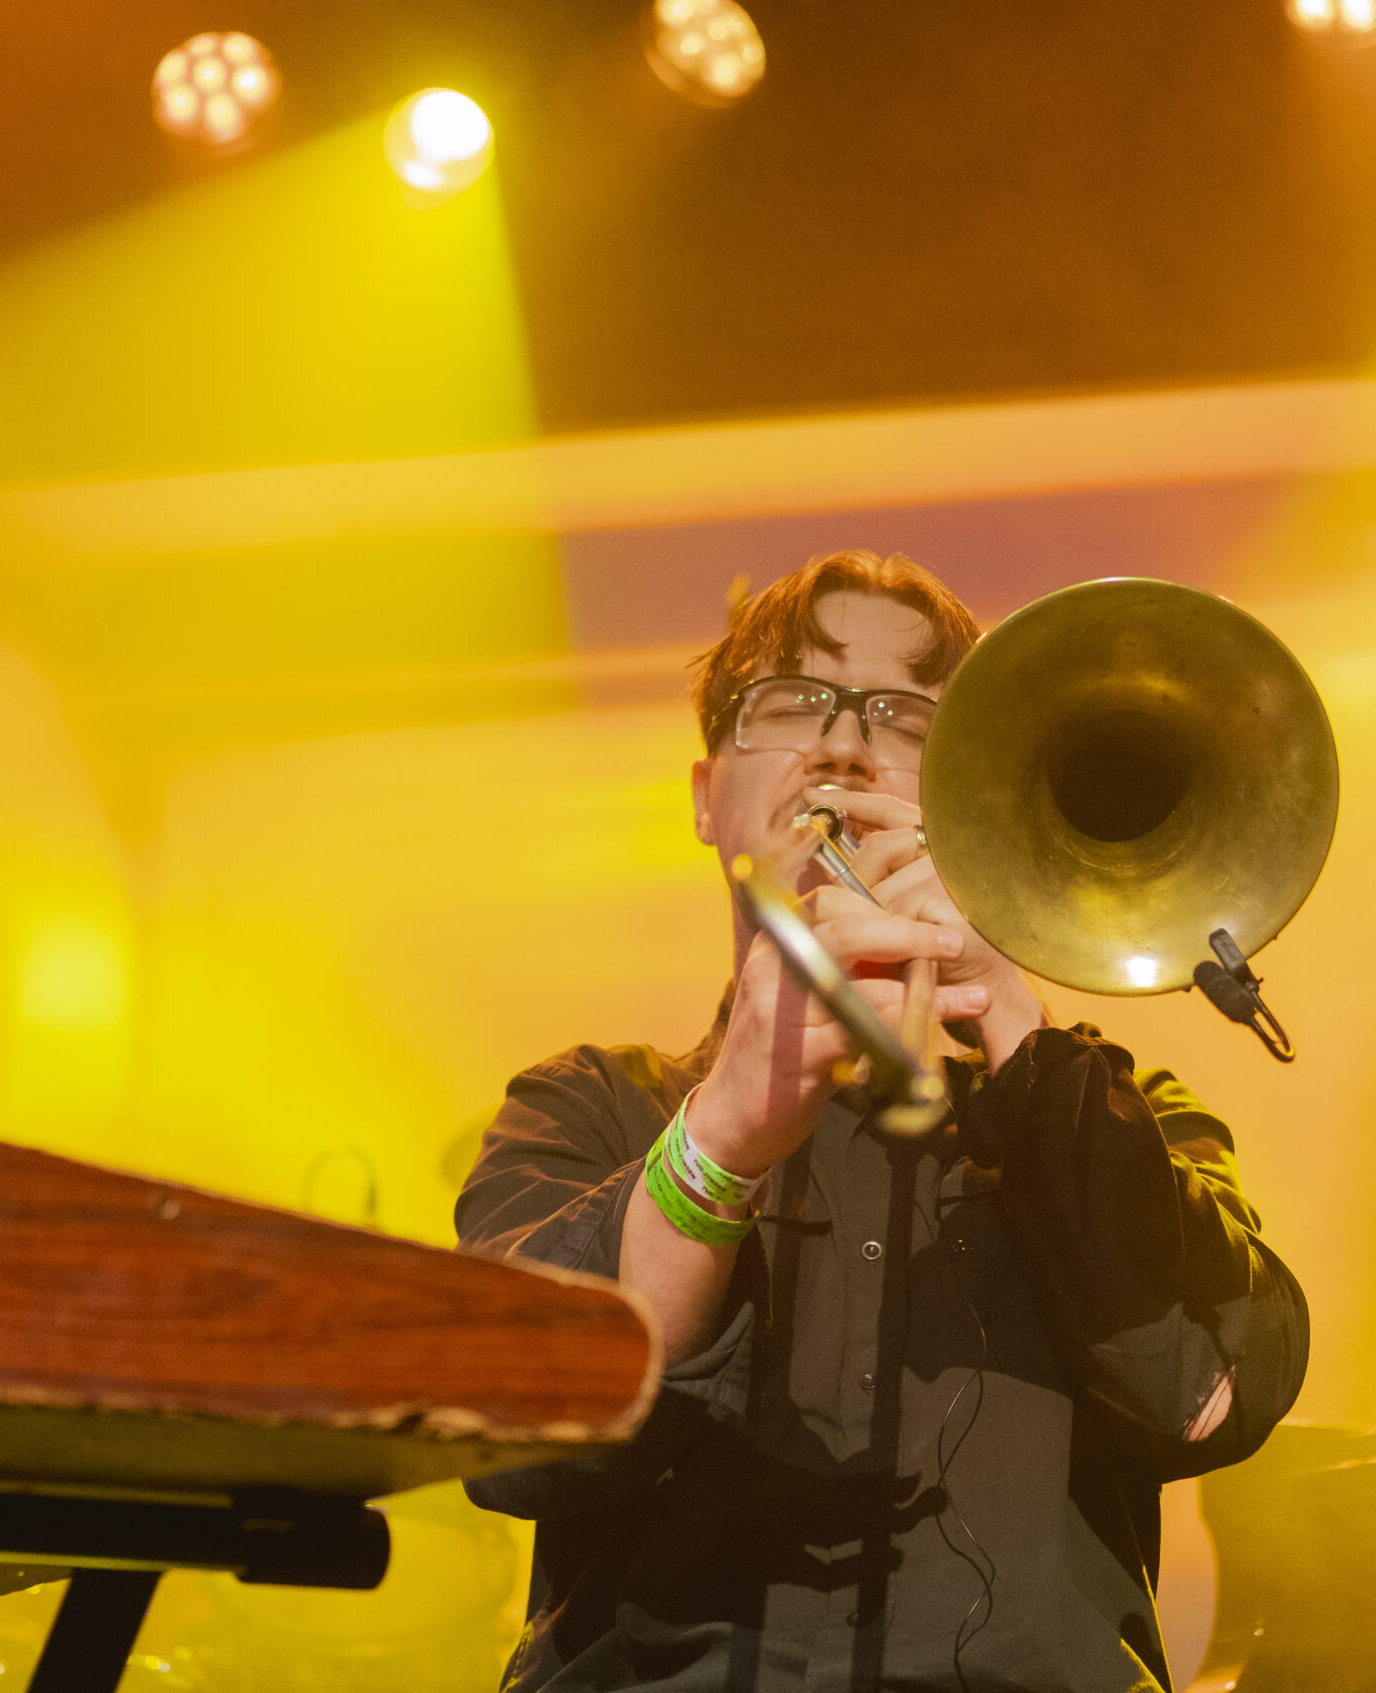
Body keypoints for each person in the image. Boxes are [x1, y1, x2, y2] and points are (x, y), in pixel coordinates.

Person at [457, 550, 1309, 1693]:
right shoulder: (584, 1105)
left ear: (965, 792)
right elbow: (505, 1433)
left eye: (904, 716)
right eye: (791, 701)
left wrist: (1009, 1011)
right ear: (707, 797)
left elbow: (1211, 1397)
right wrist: (719, 1143)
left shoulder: (1124, 1112)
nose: (843, 746)